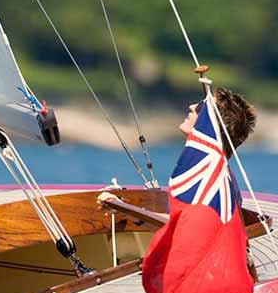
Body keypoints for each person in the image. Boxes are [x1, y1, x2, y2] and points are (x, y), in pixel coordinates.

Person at [98, 87, 256, 207]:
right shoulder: (218, 173)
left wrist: (119, 206)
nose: (192, 106)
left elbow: (179, 227)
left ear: (212, 126)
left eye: (202, 107)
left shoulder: (206, 176)